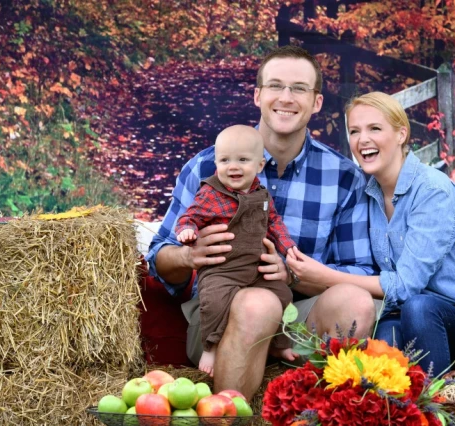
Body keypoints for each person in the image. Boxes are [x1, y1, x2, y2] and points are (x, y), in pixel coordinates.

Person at [145, 45, 376, 400]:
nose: (286, 97)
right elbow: (159, 259)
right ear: (257, 95)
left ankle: (320, 413)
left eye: (299, 88)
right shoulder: (208, 167)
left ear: (316, 102)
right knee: (258, 305)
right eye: (275, 86)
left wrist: (293, 272)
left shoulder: (344, 177)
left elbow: (359, 269)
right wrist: (188, 257)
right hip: (218, 315)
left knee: (356, 304)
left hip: (297, 312)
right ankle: (227, 415)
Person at [286, 91, 455, 374]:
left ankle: (436, 410)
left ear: (401, 134)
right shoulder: (368, 194)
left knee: (419, 308)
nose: (363, 139)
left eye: (375, 128)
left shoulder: (432, 190)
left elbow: (405, 286)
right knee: (380, 346)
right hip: (404, 316)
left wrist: (324, 276)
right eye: (354, 131)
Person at [175, 124, 297, 376]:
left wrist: (288, 248)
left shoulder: (262, 195)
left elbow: (274, 223)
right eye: (225, 160)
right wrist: (187, 231)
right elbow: (190, 216)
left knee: (283, 295)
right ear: (216, 163)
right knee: (214, 302)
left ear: (260, 165)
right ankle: (210, 346)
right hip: (222, 270)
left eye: (242, 160)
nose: (233, 167)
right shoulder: (210, 193)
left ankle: (279, 344)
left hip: (256, 272)